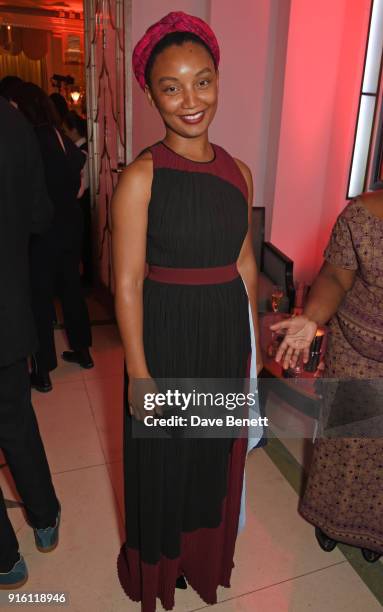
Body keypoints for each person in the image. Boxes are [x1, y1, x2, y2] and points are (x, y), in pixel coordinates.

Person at [112, 11, 262, 611]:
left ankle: (202, 558)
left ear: (218, 80)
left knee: (209, 460)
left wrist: (250, 353)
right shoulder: (141, 177)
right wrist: (140, 376)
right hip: (167, 338)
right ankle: (159, 565)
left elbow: (244, 259)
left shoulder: (239, 172)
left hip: (225, 337)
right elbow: (124, 284)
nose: (190, 99)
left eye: (202, 81)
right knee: (165, 462)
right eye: (171, 87)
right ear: (151, 94)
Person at [271, 192, 383, 562]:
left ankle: (374, 532)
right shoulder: (362, 215)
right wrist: (312, 317)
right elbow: (335, 276)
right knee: (345, 443)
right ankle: (330, 520)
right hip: (356, 352)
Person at [0, 96, 60, 589]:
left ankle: (5, 560)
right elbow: (41, 215)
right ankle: (44, 520)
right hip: (4, 310)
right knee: (16, 421)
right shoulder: (12, 120)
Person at [13, 83, 93, 392]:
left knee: (40, 298)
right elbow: (80, 165)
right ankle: (84, 351)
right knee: (71, 288)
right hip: (70, 224)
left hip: (43, 229)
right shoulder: (59, 136)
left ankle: (43, 370)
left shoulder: (30, 138)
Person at [63, 110, 93, 286]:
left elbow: (83, 184)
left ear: (74, 130)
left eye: (65, 131)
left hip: (83, 201)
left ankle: (87, 279)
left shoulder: (82, 153)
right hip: (83, 200)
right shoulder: (81, 151)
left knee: (85, 243)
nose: (65, 135)